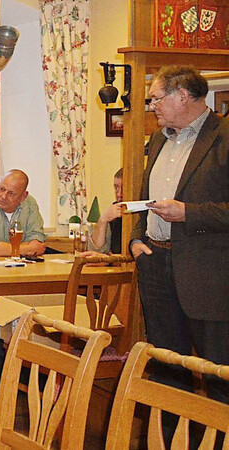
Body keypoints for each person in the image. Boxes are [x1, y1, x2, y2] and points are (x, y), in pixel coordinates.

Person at [129, 65, 229, 405]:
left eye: (156, 98)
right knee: (167, 370)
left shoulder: (224, 137)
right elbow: (146, 194)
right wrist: (136, 239)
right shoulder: (158, 139)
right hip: (156, 264)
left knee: (218, 373)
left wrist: (189, 213)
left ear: (183, 96)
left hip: (207, 275)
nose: (151, 105)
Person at [90, 168, 124, 254]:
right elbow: (97, 251)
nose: (119, 194)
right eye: (116, 188)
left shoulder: (144, 214)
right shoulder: (114, 212)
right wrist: (103, 220)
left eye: (124, 188)